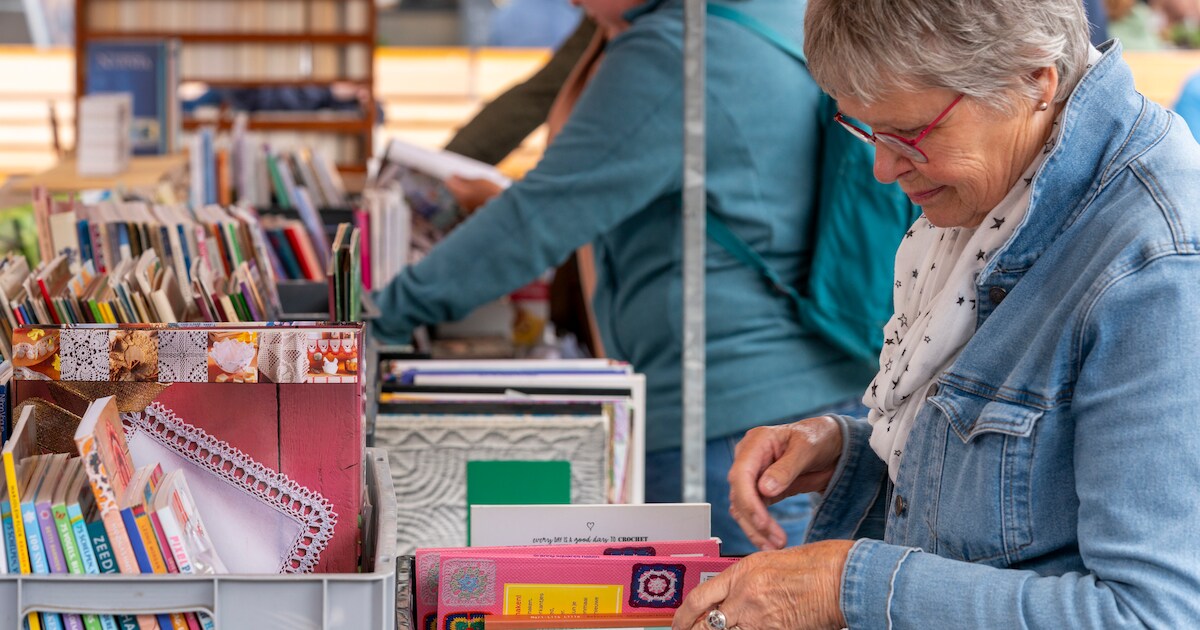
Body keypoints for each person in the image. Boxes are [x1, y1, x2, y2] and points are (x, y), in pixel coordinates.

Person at [672, 0, 1200, 627]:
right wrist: (850, 450)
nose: (883, 167)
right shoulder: (1003, 196)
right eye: (866, 129)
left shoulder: (1158, 265)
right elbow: (1031, 486)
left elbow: (1149, 615)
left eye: (910, 134)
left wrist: (845, 585)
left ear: (1033, 80)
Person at [373, 0, 884, 554]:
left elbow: (538, 218)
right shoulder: (771, 15)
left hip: (722, 420)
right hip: (819, 393)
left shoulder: (676, 51)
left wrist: (380, 314)